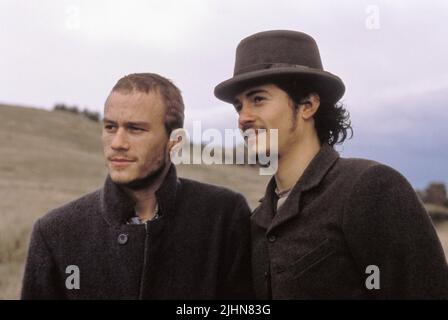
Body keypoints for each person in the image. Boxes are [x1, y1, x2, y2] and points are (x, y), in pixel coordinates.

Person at [214, 30, 448, 299]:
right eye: (238, 106)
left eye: (258, 99)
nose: (243, 117)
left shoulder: (370, 187)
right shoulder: (259, 221)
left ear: (307, 105)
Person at [22, 73, 253, 299]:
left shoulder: (224, 216)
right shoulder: (56, 232)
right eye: (110, 127)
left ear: (176, 141)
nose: (117, 143)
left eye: (135, 129)